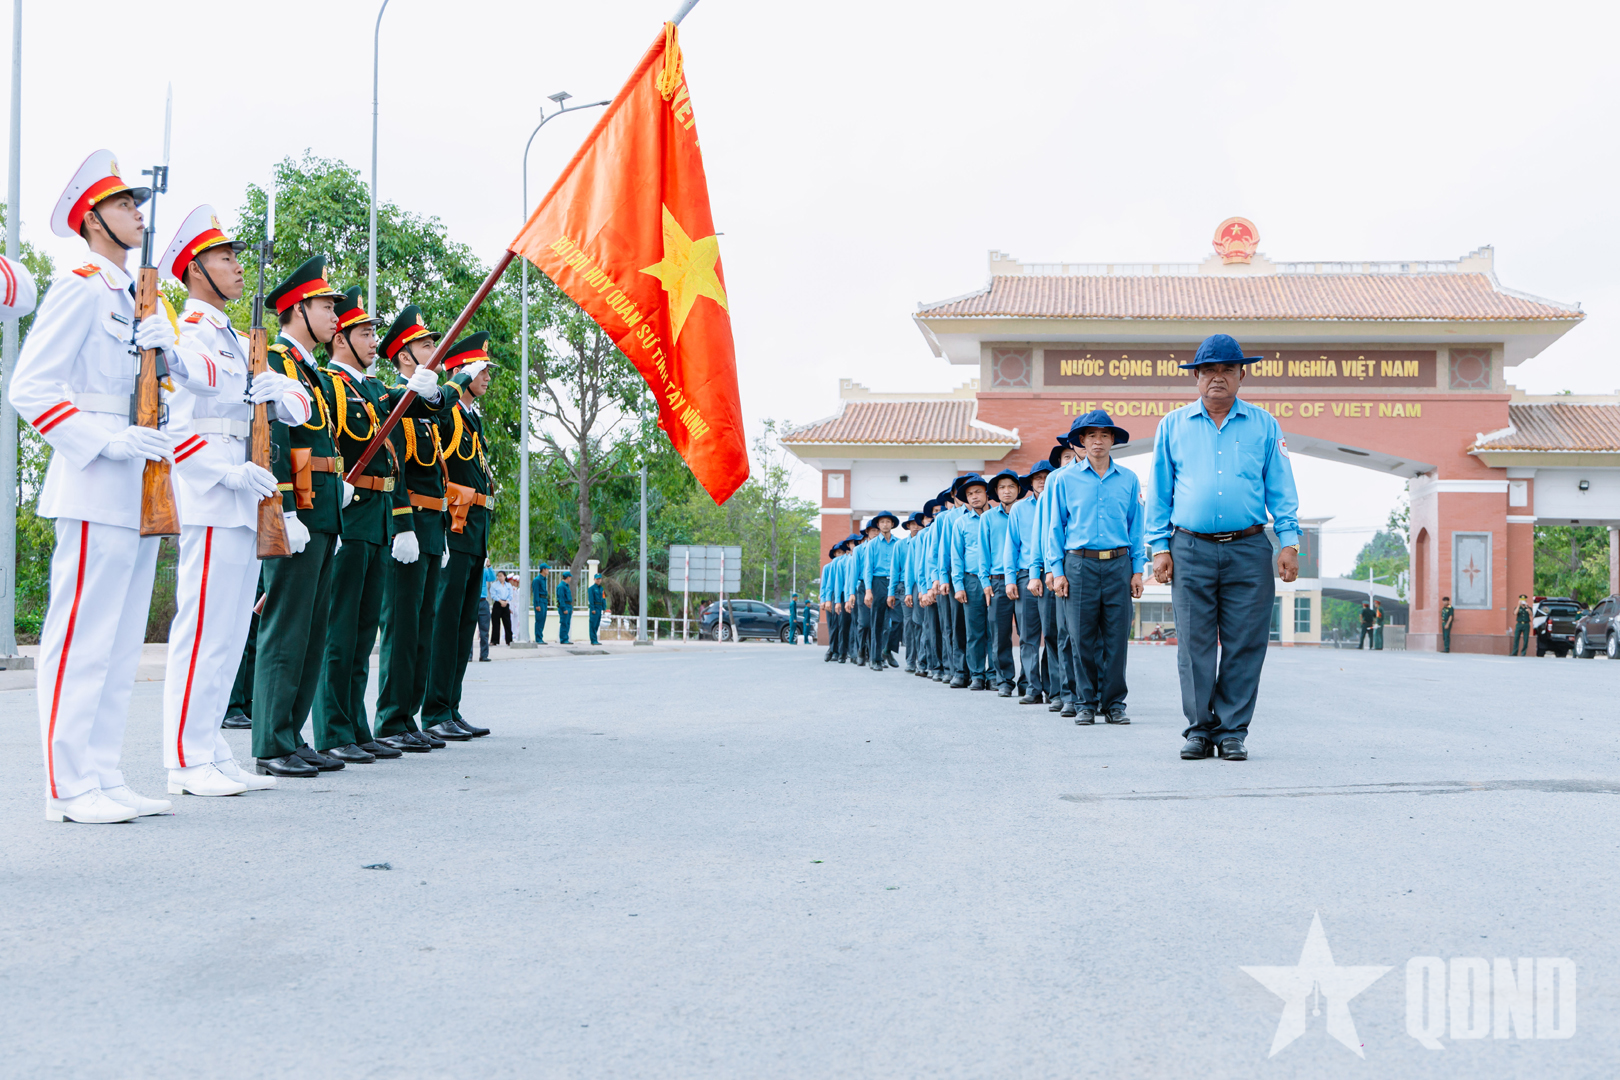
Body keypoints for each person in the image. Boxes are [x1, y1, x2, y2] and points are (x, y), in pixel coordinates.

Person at [7, 149, 183, 822]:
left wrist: (160, 348)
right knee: (80, 634)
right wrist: (105, 440)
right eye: (123, 205)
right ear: (91, 219)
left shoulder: (133, 295)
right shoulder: (81, 284)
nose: (137, 213)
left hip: (140, 480)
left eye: (137, 204)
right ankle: (66, 786)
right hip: (93, 478)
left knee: (116, 640)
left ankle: (102, 771)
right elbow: (30, 388)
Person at [160, 205, 311, 795]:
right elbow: (175, 426)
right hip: (213, 492)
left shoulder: (234, 338)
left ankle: (209, 744)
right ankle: (183, 759)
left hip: (245, 493)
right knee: (201, 629)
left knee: (227, 632)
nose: (238, 267)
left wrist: (283, 390)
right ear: (196, 270)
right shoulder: (184, 335)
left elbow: (295, 410)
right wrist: (225, 476)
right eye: (225, 258)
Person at [1148, 334, 1300, 762]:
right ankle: (1199, 729)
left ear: (1241, 375)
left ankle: (1232, 730)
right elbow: (1159, 492)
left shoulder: (1265, 425)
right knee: (1193, 644)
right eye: (1209, 370)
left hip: (1250, 549)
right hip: (1189, 548)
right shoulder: (1173, 426)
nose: (1218, 377)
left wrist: (1289, 541)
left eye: (1227, 370)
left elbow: (1281, 488)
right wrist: (1159, 548)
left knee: (1245, 642)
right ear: (1196, 377)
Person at [314, 288, 442, 765]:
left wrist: (437, 387)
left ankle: (355, 725)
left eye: (373, 332)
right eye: (365, 333)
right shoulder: (329, 382)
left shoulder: (369, 390)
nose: (373, 341)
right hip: (348, 514)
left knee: (363, 630)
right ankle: (331, 727)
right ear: (341, 338)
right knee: (340, 629)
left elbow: (412, 416)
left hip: (377, 518)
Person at [374, 305, 454, 752]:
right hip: (408, 524)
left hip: (432, 523)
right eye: (425, 345)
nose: (434, 351)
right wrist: (402, 523)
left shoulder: (424, 402)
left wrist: (436, 394)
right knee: (401, 629)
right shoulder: (392, 400)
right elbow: (394, 467)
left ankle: (409, 715)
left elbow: (444, 413)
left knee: (423, 627)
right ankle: (391, 718)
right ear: (404, 356)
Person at [420, 333, 497, 741]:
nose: (486, 376)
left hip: (474, 528)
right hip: (454, 525)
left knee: (464, 623)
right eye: (480, 370)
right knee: (444, 622)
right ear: (462, 373)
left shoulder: (473, 418)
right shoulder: (449, 414)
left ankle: (451, 705)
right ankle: (434, 711)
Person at [1046, 411, 1146, 725]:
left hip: (1118, 564)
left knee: (1116, 638)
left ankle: (1114, 703)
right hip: (1078, 564)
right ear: (1081, 441)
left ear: (1113, 440)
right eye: (1091, 436)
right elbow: (1055, 527)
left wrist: (1138, 569)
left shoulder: (1128, 479)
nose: (1097, 441)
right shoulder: (1064, 479)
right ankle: (1085, 701)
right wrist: (1056, 570)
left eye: (1104, 435)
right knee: (1080, 636)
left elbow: (1136, 527)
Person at [1002, 462, 1055, 705]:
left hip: (1054, 574)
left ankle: (1054, 690)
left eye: (1046, 476)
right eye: (1037, 478)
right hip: (1025, 577)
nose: (1042, 481)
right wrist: (1010, 579)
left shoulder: (1058, 504)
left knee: (1054, 634)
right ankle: (1033, 687)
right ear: (1031, 482)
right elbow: (1011, 546)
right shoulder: (1019, 509)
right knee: (1028, 635)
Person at [979, 469, 1022, 696]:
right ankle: (1004, 680)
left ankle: (1028, 682)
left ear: (1018, 490)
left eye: (1011, 487)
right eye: (1002, 487)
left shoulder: (1026, 513)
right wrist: (985, 582)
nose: (1007, 491)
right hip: (997, 582)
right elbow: (983, 553)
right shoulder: (987, 518)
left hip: (1024, 578)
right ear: (996, 492)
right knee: (1000, 633)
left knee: (1027, 634)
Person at [949, 473, 993, 690]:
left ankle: (995, 674)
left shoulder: (999, 516)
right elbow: (956, 556)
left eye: (977, 492)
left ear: (987, 493)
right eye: (969, 494)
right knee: (974, 630)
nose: (974, 497)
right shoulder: (961, 523)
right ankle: (977, 674)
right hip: (971, 581)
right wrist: (958, 586)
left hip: (996, 580)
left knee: (995, 629)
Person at [862, 511, 902, 670]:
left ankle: (887, 650)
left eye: (888, 521)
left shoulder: (898, 543)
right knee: (877, 622)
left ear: (892, 525)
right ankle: (875, 658)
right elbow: (868, 569)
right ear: (878, 525)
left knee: (898, 620)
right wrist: (868, 590)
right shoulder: (871, 545)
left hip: (896, 584)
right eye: (882, 522)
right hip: (878, 583)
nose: (885, 524)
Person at [490, 571, 515, 646]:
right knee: (496, 623)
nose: (499, 577)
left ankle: (509, 640)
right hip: (498, 603)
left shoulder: (508, 585)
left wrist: (506, 601)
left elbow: (510, 595)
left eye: (501, 576)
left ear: (504, 576)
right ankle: (494, 640)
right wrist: (500, 601)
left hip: (506, 604)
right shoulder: (494, 585)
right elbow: (493, 595)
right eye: (498, 576)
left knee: (507, 622)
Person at [532, 562, 551, 643]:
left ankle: (540, 637)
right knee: (539, 619)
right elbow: (535, 593)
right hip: (540, 601)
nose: (548, 571)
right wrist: (537, 604)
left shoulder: (544, 579)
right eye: (547, 569)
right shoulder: (537, 580)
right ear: (543, 570)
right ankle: (538, 638)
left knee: (543, 619)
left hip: (544, 601)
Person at [556, 569, 575, 644]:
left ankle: (566, 638)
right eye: (570, 577)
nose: (570, 579)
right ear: (567, 577)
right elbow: (561, 598)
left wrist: (571, 608)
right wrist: (564, 608)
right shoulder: (561, 586)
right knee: (564, 623)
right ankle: (563, 639)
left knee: (567, 623)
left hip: (568, 605)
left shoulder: (566, 586)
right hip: (565, 606)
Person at [588, 573, 607, 645]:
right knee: (593, 624)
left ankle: (595, 639)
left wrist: (604, 607)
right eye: (597, 579)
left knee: (597, 624)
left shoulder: (601, 589)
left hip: (599, 608)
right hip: (594, 607)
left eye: (599, 579)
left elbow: (603, 598)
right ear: (594, 579)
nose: (598, 580)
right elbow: (591, 599)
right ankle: (593, 640)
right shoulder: (591, 588)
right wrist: (592, 608)